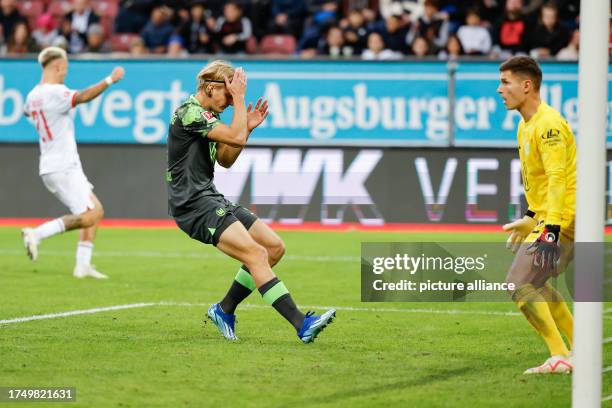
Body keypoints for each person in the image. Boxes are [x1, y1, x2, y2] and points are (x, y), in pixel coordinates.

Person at [165, 60, 336, 343]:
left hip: (209, 197)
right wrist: (242, 103)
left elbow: (226, 159)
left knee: (273, 248)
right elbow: (234, 136)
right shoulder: (189, 113)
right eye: (228, 96)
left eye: (235, 97)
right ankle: (301, 324)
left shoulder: (206, 116)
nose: (232, 103)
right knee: (255, 254)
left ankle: (224, 309)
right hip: (193, 205)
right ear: (210, 87)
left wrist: (248, 130)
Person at [497, 56, 575, 374]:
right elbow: (541, 183)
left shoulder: (548, 124)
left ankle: (560, 356)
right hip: (551, 216)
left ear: (526, 85)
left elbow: (558, 178)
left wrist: (551, 229)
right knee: (537, 282)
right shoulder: (525, 125)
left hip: (565, 216)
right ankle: (577, 349)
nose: (500, 89)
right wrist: (531, 217)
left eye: (506, 82)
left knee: (518, 284)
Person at [21, 47, 125, 279]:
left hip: (51, 164)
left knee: (94, 210)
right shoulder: (56, 92)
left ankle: (82, 265)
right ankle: (37, 234)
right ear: (57, 67)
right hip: (63, 165)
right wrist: (110, 79)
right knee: (92, 214)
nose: (65, 74)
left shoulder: (32, 96)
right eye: (65, 69)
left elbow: (27, 113)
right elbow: (83, 97)